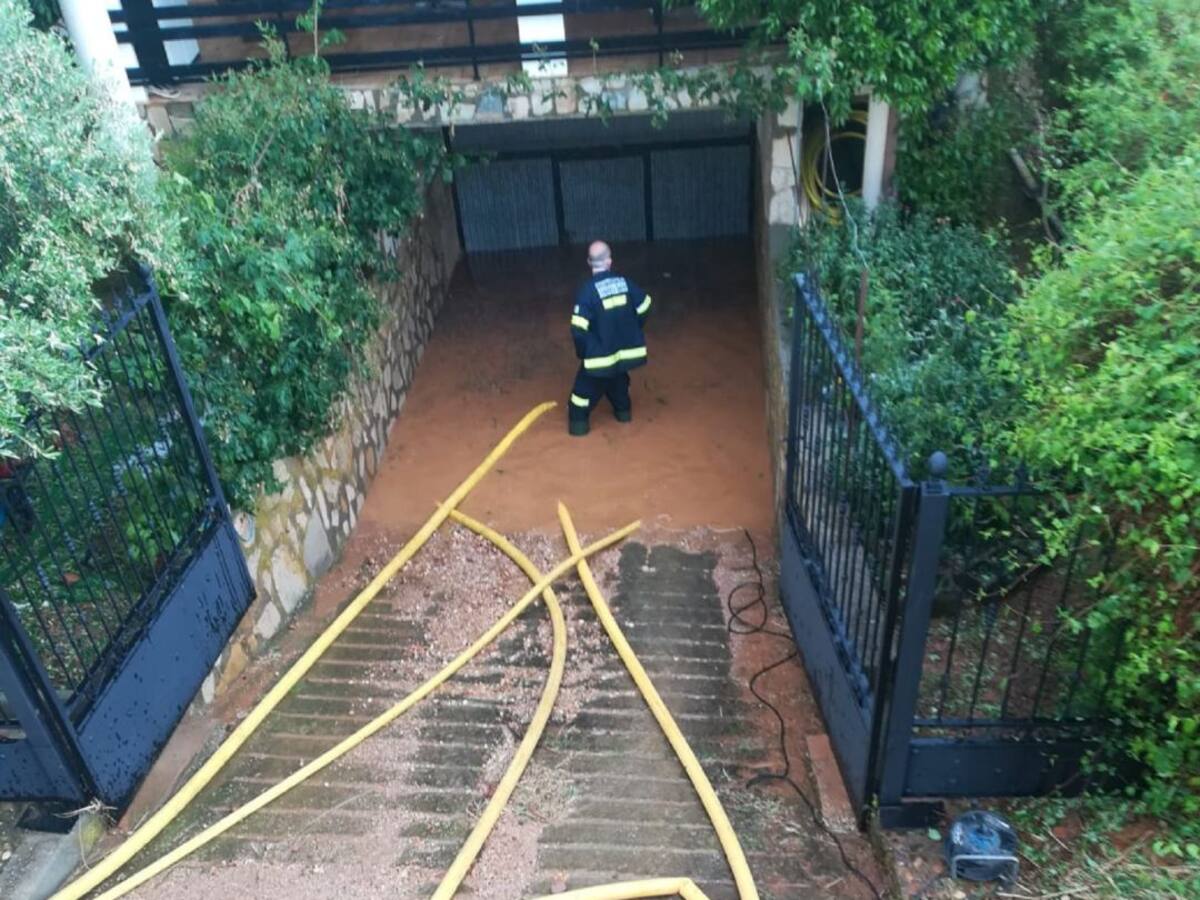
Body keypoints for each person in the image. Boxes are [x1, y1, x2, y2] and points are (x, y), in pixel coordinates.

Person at [567, 241, 652, 436]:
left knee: (578, 403)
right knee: (619, 387)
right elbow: (646, 306)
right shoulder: (625, 283)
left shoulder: (587, 291)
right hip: (623, 355)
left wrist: (584, 353)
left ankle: (578, 431)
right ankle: (624, 416)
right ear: (610, 261)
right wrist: (631, 330)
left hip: (599, 358)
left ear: (589, 262)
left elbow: (578, 330)